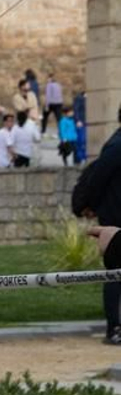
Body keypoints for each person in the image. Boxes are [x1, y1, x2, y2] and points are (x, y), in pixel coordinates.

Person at [73, 107, 121, 344]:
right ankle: (115, 328)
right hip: (115, 218)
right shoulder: (117, 146)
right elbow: (97, 179)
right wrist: (90, 205)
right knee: (115, 273)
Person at [43, 71, 64, 137]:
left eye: (48, 78)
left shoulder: (49, 85)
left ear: (50, 78)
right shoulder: (58, 84)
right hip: (59, 103)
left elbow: (48, 96)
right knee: (59, 118)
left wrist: (46, 105)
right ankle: (60, 132)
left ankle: (43, 131)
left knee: (45, 117)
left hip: (51, 103)